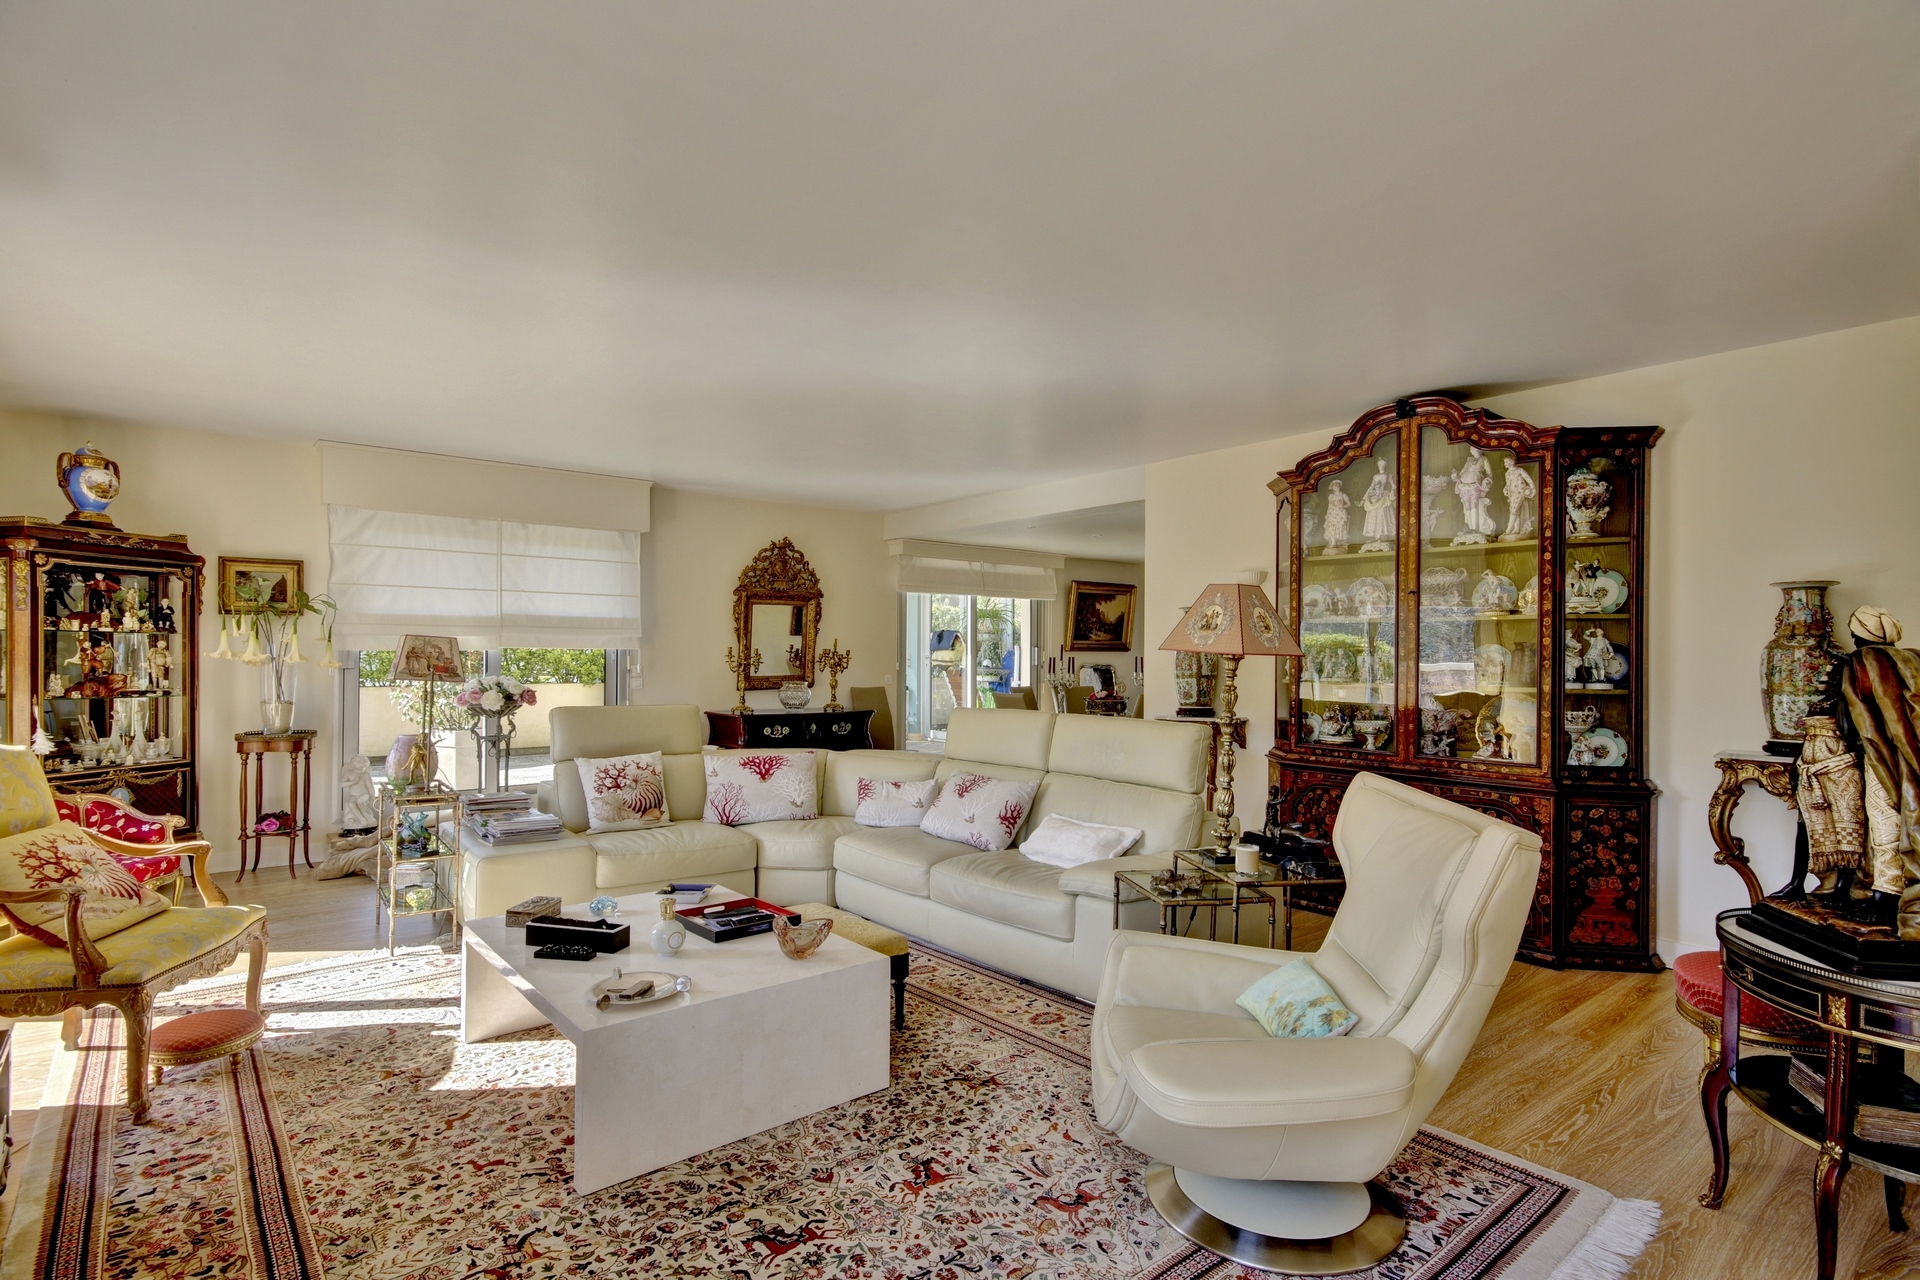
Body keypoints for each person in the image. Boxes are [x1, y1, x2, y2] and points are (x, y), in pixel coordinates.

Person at [1827, 607, 1920, 935]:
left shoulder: (1861, 662)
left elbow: (1855, 722)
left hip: (1881, 755)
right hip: (1908, 755)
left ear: (1859, 636)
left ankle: (1885, 900)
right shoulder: (1913, 658)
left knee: (1884, 824)